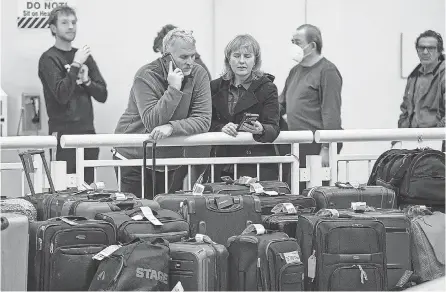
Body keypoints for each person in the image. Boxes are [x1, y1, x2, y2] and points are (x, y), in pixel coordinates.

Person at [114, 28, 212, 198]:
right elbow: (152, 122)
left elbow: (203, 120)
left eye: (193, 56)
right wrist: (173, 89)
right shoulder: (146, 75)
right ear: (167, 57)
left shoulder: (199, 73)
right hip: (132, 157)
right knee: (136, 216)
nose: (190, 62)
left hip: (168, 159)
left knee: (165, 217)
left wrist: (172, 127)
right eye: (183, 57)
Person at [38, 5, 107, 184]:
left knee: (88, 189)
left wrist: (87, 81)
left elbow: (102, 95)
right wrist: (75, 65)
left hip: (87, 133)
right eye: (65, 22)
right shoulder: (49, 59)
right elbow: (61, 94)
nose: (71, 27)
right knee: (64, 189)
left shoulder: (84, 56)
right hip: (62, 134)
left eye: (73, 22)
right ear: (53, 28)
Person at [279, 24, 343, 192]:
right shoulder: (295, 71)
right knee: (295, 192)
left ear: (312, 45)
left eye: (297, 42)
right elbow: (281, 104)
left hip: (315, 144)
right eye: (292, 41)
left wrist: (326, 148)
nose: (293, 46)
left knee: (314, 195)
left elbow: (331, 114)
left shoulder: (327, 71)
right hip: (295, 144)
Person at [209, 34, 280, 181]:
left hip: (256, 165)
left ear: (255, 61)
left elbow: (274, 127)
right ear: (228, 59)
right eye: (236, 56)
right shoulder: (215, 86)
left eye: (247, 56)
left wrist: (261, 129)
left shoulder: (268, 88)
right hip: (222, 164)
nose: (242, 61)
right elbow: (206, 121)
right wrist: (221, 127)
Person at [153, 24, 212, 189]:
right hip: (182, 140)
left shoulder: (196, 71)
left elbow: (198, 115)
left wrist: (171, 126)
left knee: (178, 190)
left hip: (189, 140)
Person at [396, 30, 445, 151]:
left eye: (431, 48)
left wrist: (437, 138)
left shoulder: (444, 75)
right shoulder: (414, 76)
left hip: (436, 143)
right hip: (413, 142)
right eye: (421, 48)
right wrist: (399, 139)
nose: (425, 52)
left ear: (439, 51)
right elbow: (405, 111)